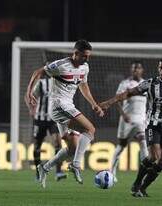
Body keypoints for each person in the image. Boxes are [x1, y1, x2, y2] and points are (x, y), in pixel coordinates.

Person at [100, 57, 162, 197]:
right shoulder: (149, 84)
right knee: (153, 156)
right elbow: (128, 93)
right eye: (160, 67)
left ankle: (142, 187)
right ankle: (136, 183)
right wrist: (109, 102)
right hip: (152, 125)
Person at [25, 40, 104, 188]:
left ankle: (45, 167)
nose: (87, 59)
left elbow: (83, 85)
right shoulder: (61, 65)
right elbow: (38, 72)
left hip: (68, 106)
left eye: (88, 56)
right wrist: (29, 91)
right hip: (58, 106)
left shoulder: (85, 67)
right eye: (84, 56)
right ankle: (75, 164)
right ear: (76, 53)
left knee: (72, 147)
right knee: (90, 129)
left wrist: (94, 104)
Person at [110, 62, 148, 183]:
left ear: (142, 70)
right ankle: (112, 171)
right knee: (121, 146)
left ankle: (144, 174)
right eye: (134, 68)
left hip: (141, 119)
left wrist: (148, 116)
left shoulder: (146, 84)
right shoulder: (125, 83)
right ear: (131, 70)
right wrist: (123, 115)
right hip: (127, 118)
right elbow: (117, 100)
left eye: (138, 68)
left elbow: (151, 101)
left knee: (143, 141)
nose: (136, 70)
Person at [27, 73, 67, 181]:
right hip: (40, 119)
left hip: (53, 119)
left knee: (58, 143)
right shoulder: (41, 83)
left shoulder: (60, 84)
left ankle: (58, 172)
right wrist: (31, 108)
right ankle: (38, 172)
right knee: (37, 145)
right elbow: (31, 96)